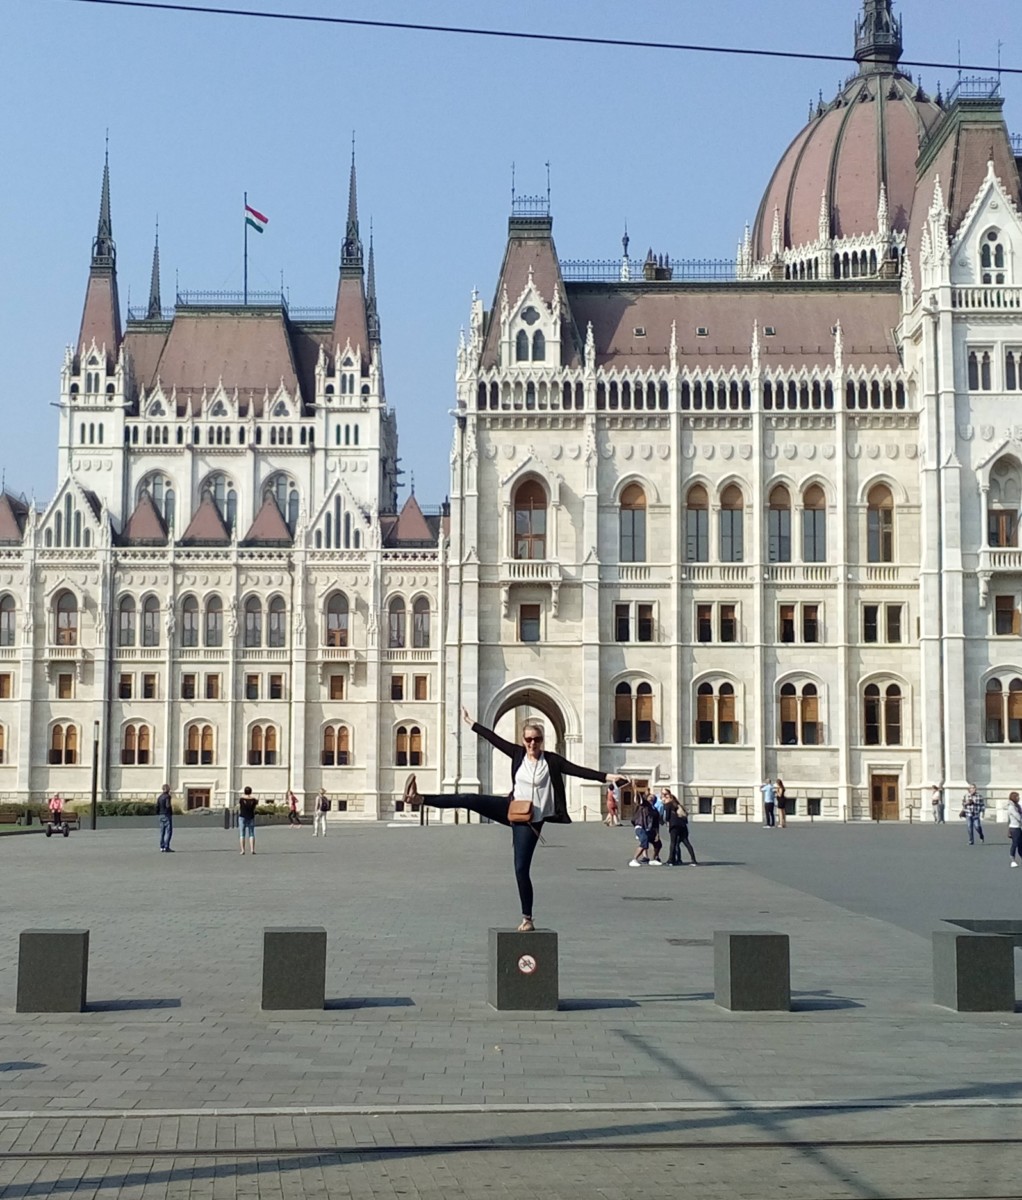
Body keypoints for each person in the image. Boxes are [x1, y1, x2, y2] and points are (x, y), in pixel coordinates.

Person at [403, 706, 628, 931]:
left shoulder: (551, 761)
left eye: (537, 739)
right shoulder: (518, 754)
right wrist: (471, 722)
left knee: (521, 868)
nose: (532, 743)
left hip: (530, 821)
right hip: (511, 808)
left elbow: (578, 770)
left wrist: (608, 776)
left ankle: (527, 918)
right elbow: (493, 738)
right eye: (528, 739)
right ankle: (419, 799)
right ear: (523, 740)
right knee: (468, 798)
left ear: (542, 740)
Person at [631, 793, 661, 866]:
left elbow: (656, 823)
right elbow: (639, 798)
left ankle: (653, 859)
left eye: (653, 798)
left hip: (650, 829)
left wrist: (657, 834)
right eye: (650, 797)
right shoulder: (644, 805)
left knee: (658, 844)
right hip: (640, 826)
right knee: (644, 840)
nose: (651, 798)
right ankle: (634, 860)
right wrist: (635, 789)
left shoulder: (655, 810)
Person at [238, 786, 258, 855]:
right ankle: (252, 849)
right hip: (251, 816)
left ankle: (243, 850)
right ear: (251, 791)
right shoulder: (254, 800)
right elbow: (255, 808)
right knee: (251, 833)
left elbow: (240, 805)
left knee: (242, 833)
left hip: (242, 816)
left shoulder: (241, 799)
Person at [156, 783, 174, 852]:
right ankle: (166, 846)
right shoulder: (167, 796)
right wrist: (170, 812)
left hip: (161, 815)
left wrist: (158, 813)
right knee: (169, 831)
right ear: (168, 789)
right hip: (166, 815)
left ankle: (162, 846)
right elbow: (168, 805)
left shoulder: (160, 797)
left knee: (162, 832)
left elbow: (157, 806)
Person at [1007, 791, 1022, 868]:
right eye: (1017, 797)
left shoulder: (1017, 806)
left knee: (1020, 844)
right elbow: (1018, 817)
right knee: (1015, 844)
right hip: (1014, 828)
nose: (1018, 798)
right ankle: (1012, 860)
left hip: (1018, 827)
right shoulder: (1011, 807)